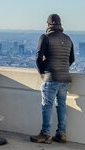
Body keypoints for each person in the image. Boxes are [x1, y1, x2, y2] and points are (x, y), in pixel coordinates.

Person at [30, 14, 75, 144]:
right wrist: (63, 68)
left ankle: (45, 134)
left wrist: (42, 72)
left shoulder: (45, 37)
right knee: (61, 106)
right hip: (65, 79)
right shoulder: (68, 39)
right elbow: (71, 59)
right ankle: (61, 134)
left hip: (51, 78)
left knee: (47, 106)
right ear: (60, 24)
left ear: (48, 24)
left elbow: (38, 57)